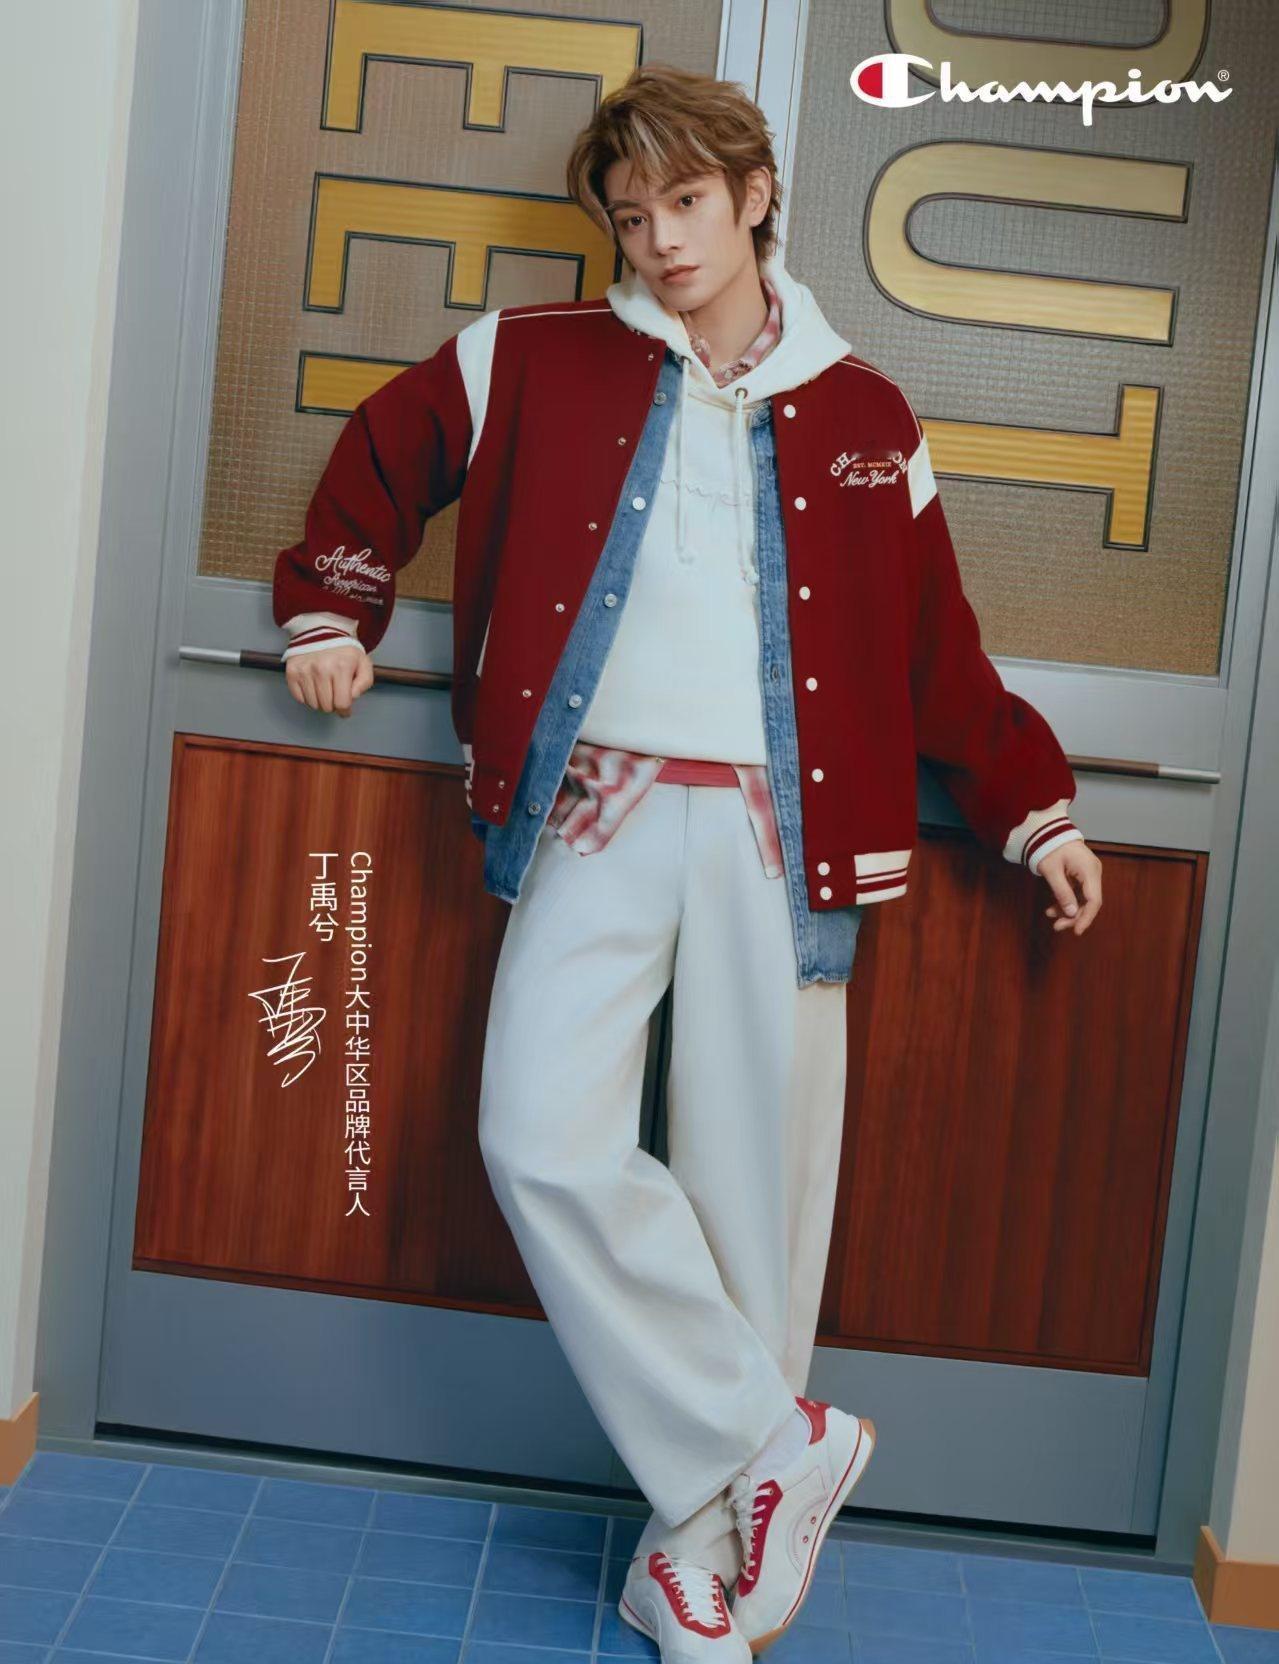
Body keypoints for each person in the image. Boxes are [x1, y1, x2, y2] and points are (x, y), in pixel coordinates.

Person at [274, 62, 1103, 1662]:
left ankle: (692, 1566)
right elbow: (381, 457)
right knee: (537, 1132)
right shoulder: (532, 357)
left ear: (755, 196)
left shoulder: (864, 410)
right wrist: (333, 607)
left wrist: (1034, 807)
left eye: (689, 203)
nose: (660, 238)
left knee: (752, 1210)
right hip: (598, 808)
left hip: (783, 841)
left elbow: (934, 647)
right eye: (633, 212)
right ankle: (776, 1440)